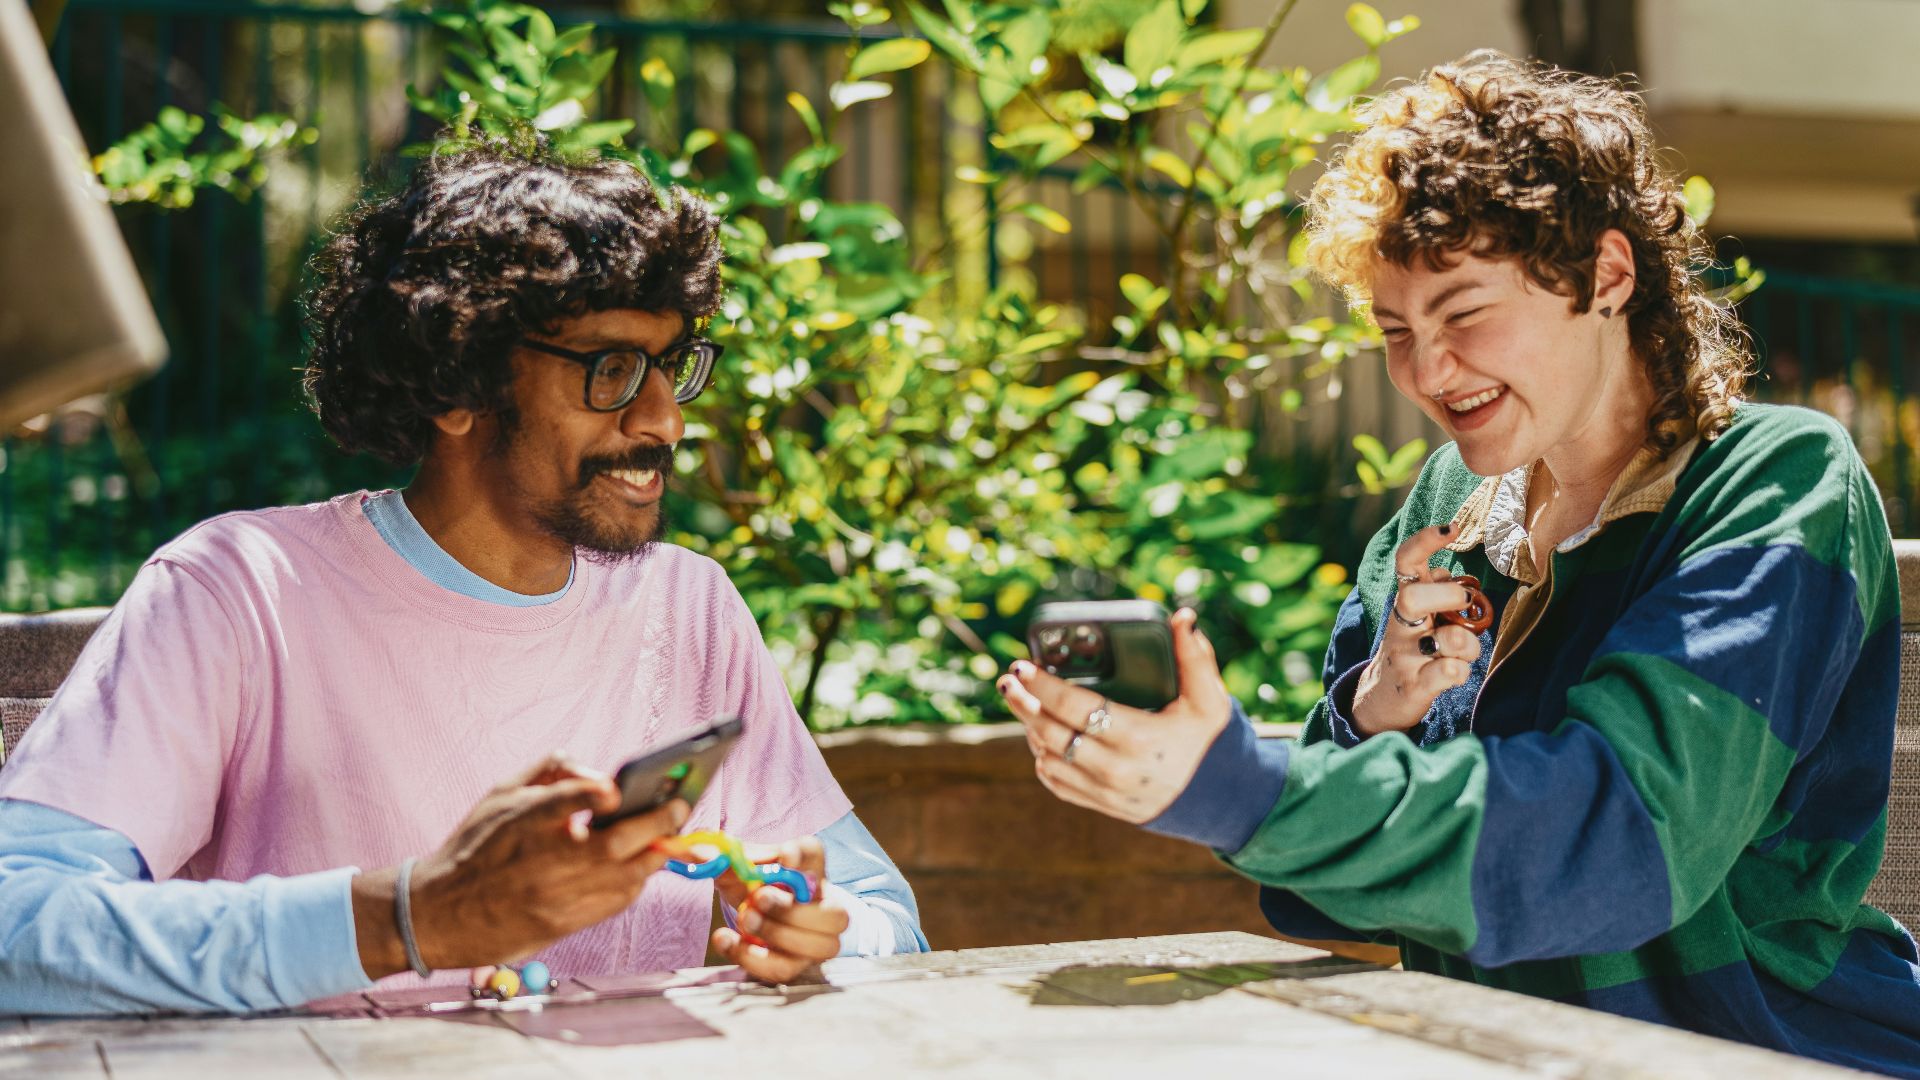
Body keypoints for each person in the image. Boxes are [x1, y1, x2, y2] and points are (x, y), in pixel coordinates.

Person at [999, 51, 1920, 1075]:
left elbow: (1619, 845)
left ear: (1608, 276)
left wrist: (1239, 787)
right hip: (1497, 1050)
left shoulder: (1777, 479)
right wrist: (1381, 706)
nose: (1428, 374)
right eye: (1395, 329)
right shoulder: (1450, 508)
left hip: (1766, 1054)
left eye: (1466, 314)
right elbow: (1316, 895)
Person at [0, 141, 926, 1016]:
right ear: (456, 387)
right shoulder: (240, 593)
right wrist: (409, 918)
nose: (664, 421)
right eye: (610, 368)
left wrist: (816, 933)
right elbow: (19, 931)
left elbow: (886, 914)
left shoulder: (687, 606)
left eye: (670, 365)